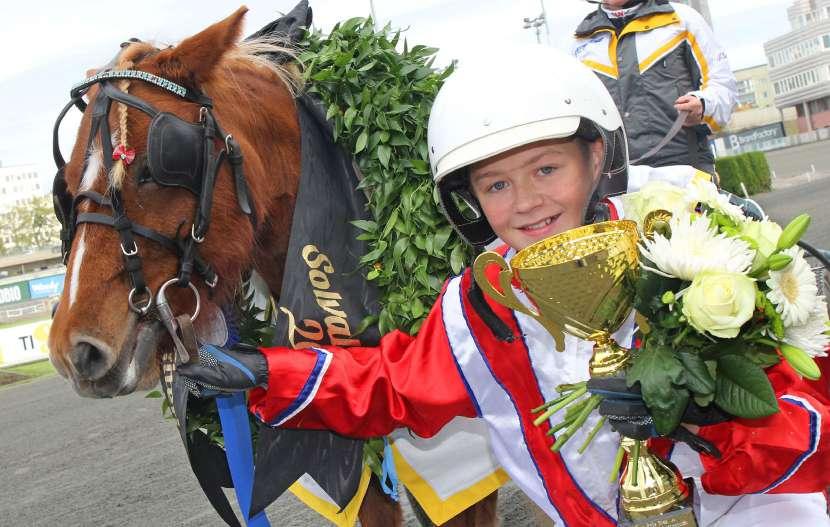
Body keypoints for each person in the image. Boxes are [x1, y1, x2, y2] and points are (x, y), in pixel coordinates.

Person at [179, 47, 830, 526]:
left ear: (596, 156)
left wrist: (708, 418)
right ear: (468, 200)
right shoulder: (479, 305)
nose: (526, 202)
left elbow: (811, 426)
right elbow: (391, 382)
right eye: (495, 184)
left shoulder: (692, 247)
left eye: (547, 168)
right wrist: (265, 372)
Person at [572, 0, 737, 176]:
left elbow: (724, 87)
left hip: (686, 172)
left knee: (702, 205)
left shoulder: (682, 19)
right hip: (618, 178)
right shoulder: (580, 39)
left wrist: (703, 105)